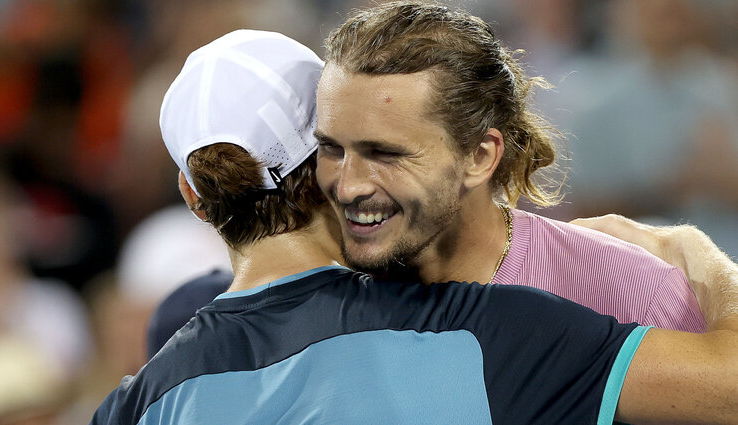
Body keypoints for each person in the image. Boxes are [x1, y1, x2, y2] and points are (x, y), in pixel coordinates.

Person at [91, 28, 738, 425]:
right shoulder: (486, 332)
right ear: (332, 160)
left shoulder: (139, 400)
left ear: (195, 198)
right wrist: (694, 251)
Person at [313, 1, 704, 331]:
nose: (347, 187)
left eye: (385, 154)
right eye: (331, 149)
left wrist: (697, 254)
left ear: (480, 157)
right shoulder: (308, 300)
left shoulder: (626, 288)